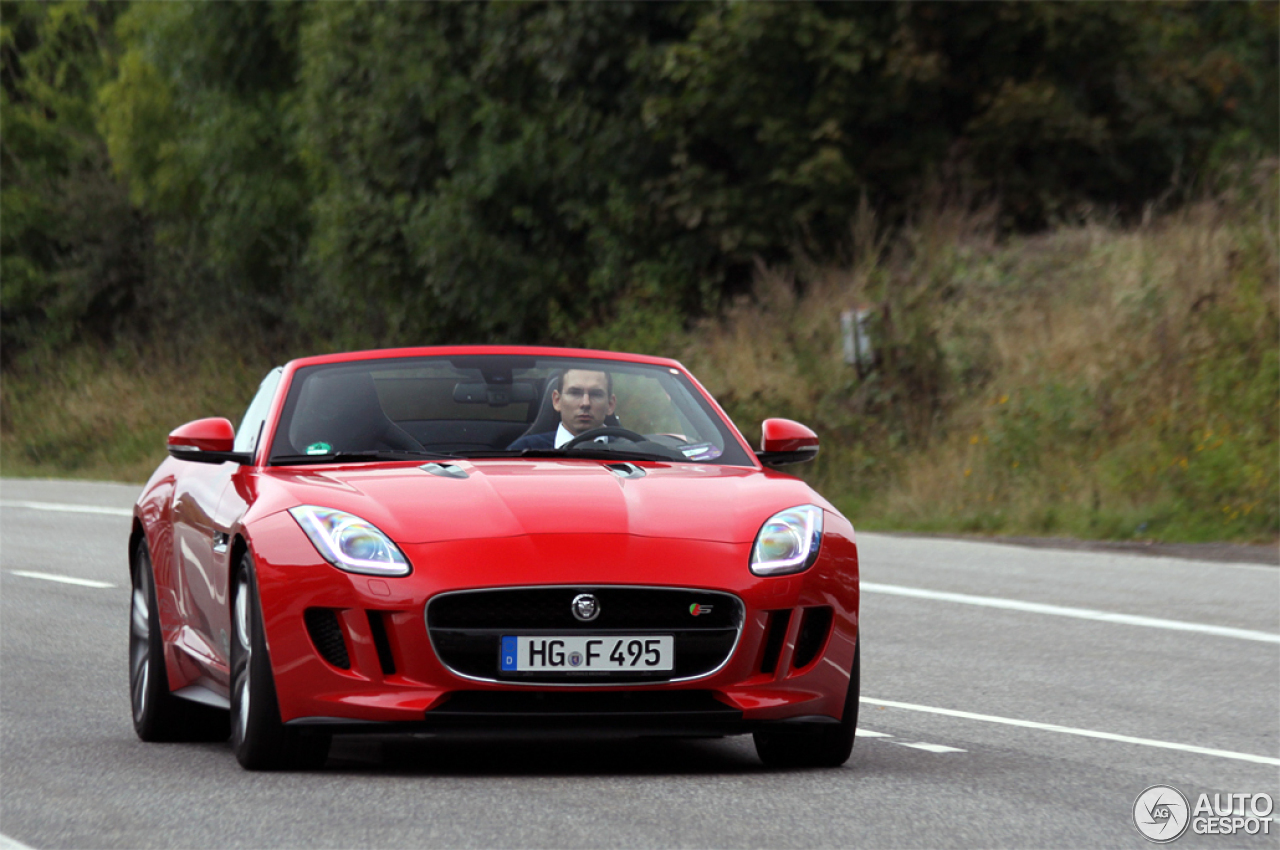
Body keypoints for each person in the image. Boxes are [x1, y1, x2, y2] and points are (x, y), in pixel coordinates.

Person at [508, 368, 616, 450]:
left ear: (610, 404)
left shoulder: (629, 451)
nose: (585, 403)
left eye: (596, 394)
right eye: (575, 393)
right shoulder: (525, 450)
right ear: (557, 401)